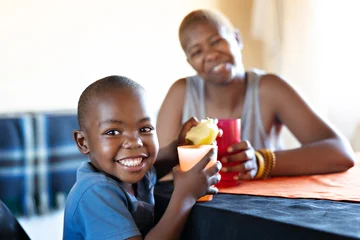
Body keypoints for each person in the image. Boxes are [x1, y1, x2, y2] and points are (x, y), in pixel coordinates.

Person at [157, 9, 355, 181]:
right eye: (197, 52)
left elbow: (340, 153)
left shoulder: (270, 89)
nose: (210, 55)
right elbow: (156, 170)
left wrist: (261, 162)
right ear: (190, 62)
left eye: (216, 41)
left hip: (264, 208)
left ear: (237, 39)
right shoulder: (181, 93)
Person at [63, 75, 221, 239]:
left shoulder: (134, 178)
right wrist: (184, 198)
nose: (134, 142)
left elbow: (155, 168)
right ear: (83, 142)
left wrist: (179, 146)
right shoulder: (95, 193)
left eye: (145, 129)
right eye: (113, 132)